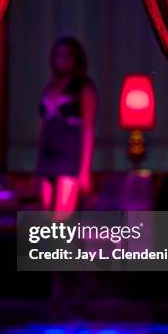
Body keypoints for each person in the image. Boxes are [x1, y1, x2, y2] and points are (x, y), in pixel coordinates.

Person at [36, 36, 98, 213]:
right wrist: (38, 162)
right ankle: (49, 242)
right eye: (59, 55)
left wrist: (85, 171)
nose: (63, 60)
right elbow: (42, 125)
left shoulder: (83, 87)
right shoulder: (50, 87)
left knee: (62, 215)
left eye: (68, 55)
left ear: (77, 58)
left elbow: (88, 129)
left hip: (69, 156)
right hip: (47, 156)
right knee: (46, 214)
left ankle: (61, 241)